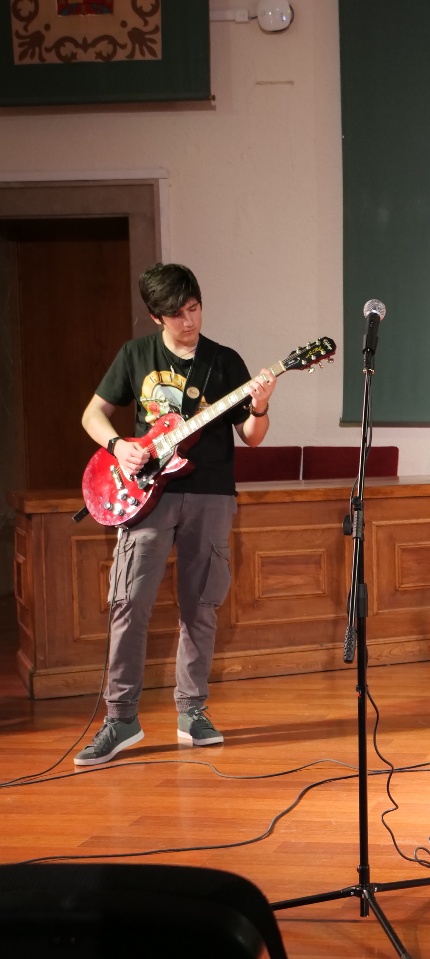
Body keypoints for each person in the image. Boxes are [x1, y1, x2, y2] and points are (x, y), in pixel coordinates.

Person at [74, 263, 277, 766]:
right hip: (147, 495)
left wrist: (260, 407)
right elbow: (92, 415)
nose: (189, 322)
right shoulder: (135, 355)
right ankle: (121, 718)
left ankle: (192, 711)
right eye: (177, 314)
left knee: (201, 604)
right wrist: (119, 446)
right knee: (129, 603)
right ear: (155, 316)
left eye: (194, 309)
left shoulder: (224, 361)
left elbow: (252, 438)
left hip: (211, 494)